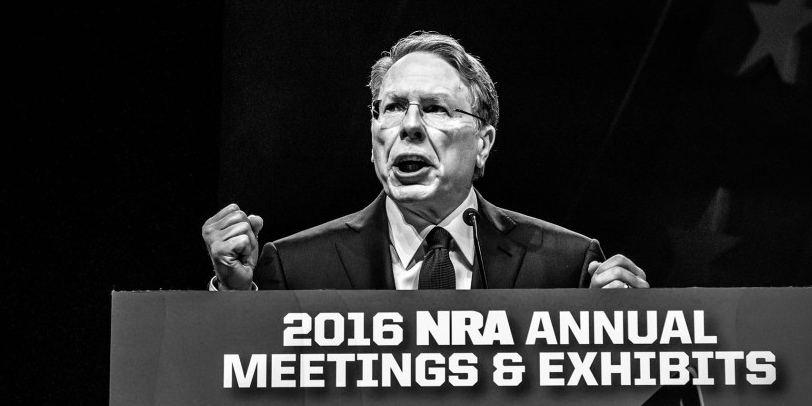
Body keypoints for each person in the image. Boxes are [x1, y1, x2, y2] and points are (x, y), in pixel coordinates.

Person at [202, 31, 648, 291]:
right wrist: (236, 294)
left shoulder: (565, 265)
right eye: (393, 107)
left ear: (484, 143)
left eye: (435, 108)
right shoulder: (294, 267)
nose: (409, 126)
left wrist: (632, 332)